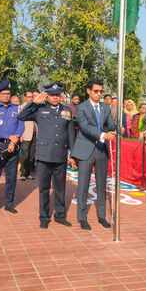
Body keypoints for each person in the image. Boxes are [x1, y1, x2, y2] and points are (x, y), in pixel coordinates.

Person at [18, 83, 76, 228]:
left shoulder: (67, 111)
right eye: (52, 95)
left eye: (57, 95)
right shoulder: (39, 109)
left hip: (60, 156)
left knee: (60, 188)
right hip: (44, 156)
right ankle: (44, 217)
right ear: (47, 96)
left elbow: (70, 133)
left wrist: (73, 154)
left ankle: (60, 215)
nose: (55, 97)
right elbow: (21, 116)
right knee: (44, 188)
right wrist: (33, 103)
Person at [71, 79, 116, 230]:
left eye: (101, 91)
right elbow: (85, 127)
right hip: (86, 150)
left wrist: (116, 128)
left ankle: (102, 216)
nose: (99, 94)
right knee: (83, 185)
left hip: (101, 151)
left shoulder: (105, 107)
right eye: (96, 91)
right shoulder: (82, 107)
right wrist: (103, 135)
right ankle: (82, 217)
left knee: (101, 185)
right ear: (89, 91)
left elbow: (110, 124)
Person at [0, 79, 24, 216]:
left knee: (12, 177)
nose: (7, 96)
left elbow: (21, 124)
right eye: (4, 93)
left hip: (14, 147)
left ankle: (9, 204)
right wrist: (9, 137)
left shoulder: (16, 109)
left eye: (9, 93)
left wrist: (15, 138)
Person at [18, 91, 37, 181]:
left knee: (31, 155)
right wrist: (20, 134)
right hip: (25, 134)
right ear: (25, 97)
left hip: (34, 134)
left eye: (32, 96)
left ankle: (28, 173)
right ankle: (22, 173)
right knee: (24, 154)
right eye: (29, 97)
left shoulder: (35, 108)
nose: (31, 98)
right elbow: (19, 122)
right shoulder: (21, 107)